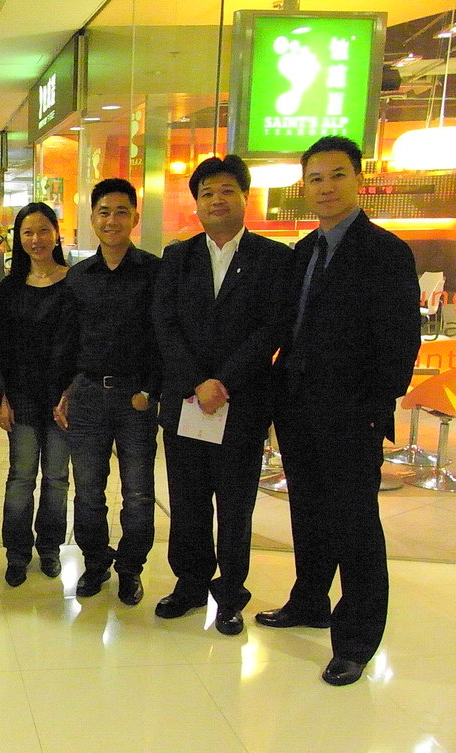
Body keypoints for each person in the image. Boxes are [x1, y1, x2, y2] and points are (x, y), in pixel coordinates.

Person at [259, 136, 421, 686]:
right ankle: (310, 601)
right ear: (304, 187)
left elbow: (401, 340)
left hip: (352, 412)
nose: (325, 187)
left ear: (358, 179)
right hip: (298, 405)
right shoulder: (305, 249)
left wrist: (375, 407)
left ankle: (355, 640)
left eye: (337, 175)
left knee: (355, 525)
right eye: (315, 179)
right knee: (307, 511)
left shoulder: (386, 252)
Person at [152, 156, 292, 635]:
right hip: (187, 403)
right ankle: (190, 584)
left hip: (242, 403)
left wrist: (224, 382)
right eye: (207, 193)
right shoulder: (178, 257)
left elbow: (271, 328)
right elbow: (165, 325)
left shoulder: (274, 258)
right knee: (188, 501)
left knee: (235, 507)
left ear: (244, 197)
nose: (217, 200)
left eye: (227, 190)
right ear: (196, 203)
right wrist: (198, 382)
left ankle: (231, 594)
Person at [53, 178, 161, 605]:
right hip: (88, 396)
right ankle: (96, 563)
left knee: (138, 493)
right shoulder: (78, 276)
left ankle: (131, 568)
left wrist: (151, 389)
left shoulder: (155, 271)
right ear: (93, 218)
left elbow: (163, 336)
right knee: (88, 492)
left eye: (121, 212)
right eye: (104, 212)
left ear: (135, 217)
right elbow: (67, 340)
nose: (112, 220)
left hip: (136, 398)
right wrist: (63, 391)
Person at [0, 202, 70, 587]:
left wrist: (72, 391)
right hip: (20, 398)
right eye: (28, 232)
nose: (36, 239)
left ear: (56, 233)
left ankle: (50, 548)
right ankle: (17, 553)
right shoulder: (11, 287)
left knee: (56, 478)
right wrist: (0, 398)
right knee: (21, 477)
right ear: (18, 239)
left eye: (43, 230)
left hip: (62, 401)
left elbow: (82, 343)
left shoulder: (74, 282)